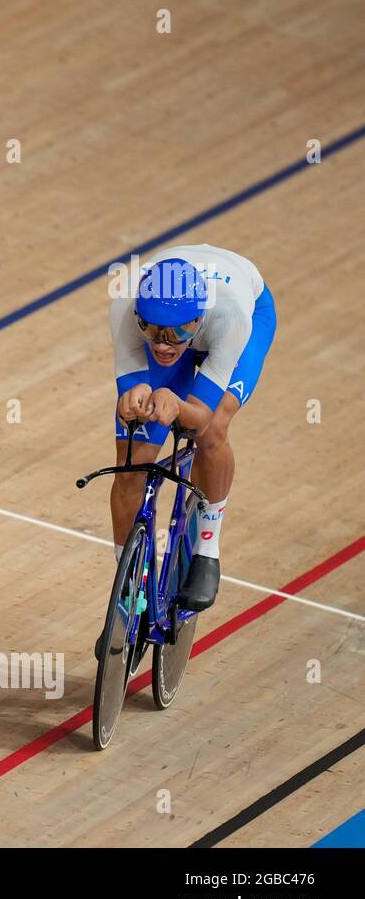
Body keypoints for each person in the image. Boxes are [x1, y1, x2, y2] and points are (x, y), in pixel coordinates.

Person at [108, 244, 277, 631]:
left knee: (213, 428)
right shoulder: (124, 307)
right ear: (138, 314)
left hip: (243, 320)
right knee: (131, 460)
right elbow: (133, 385)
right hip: (191, 323)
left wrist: (175, 403)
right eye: (151, 330)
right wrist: (132, 398)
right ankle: (127, 590)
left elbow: (198, 416)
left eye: (176, 333)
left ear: (197, 319)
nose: (163, 343)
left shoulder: (229, 317)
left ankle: (207, 549)